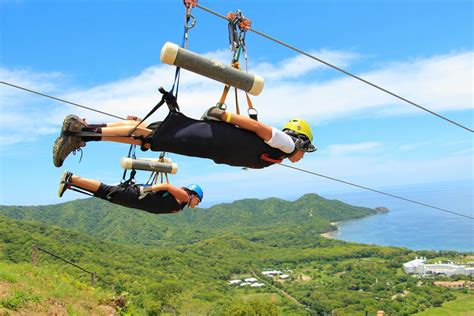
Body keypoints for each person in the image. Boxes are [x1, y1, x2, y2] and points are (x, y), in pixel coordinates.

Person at [53, 107, 316, 169]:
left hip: (211, 142)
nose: (302, 156)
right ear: (300, 140)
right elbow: (260, 128)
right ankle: (80, 133)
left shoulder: (277, 154)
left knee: (148, 136)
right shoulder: (287, 144)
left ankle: (83, 131)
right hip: (211, 139)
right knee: (150, 135)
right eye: (306, 150)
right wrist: (224, 116)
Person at [58, 171, 203, 214]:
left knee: (105, 194)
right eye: (198, 201)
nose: (197, 204)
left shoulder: (180, 205)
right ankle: (72, 178)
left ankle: (70, 183)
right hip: (138, 195)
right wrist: (146, 189)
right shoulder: (184, 197)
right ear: (193, 195)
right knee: (105, 190)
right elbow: (166, 185)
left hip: (138, 201)